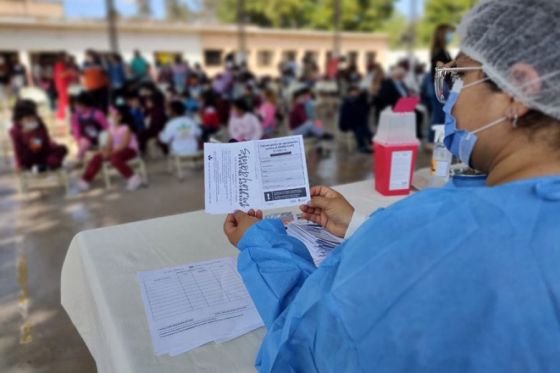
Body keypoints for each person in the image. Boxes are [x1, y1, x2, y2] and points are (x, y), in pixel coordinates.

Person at [221, 0, 560, 371]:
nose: (450, 102)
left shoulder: (438, 224)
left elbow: (309, 344)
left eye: (459, 77)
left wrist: (262, 244)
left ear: (519, 90)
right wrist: (363, 229)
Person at [77, 104, 142, 192]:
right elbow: (109, 143)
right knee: (97, 157)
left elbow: (124, 145)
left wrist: (110, 153)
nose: (109, 117)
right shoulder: (111, 129)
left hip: (129, 150)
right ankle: (84, 182)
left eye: (112, 114)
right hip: (116, 150)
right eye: (109, 115)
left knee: (114, 158)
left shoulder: (126, 128)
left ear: (120, 117)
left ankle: (133, 179)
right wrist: (105, 151)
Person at [10, 99, 67, 173]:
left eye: (34, 116)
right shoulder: (15, 130)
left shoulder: (39, 124)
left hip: (44, 153)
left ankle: (44, 166)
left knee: (61, 150)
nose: (32, 119)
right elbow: (18, 149)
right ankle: (41, 167)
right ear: (19, 120)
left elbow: (41, 144)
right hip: (29, 158)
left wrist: (34, 133)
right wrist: (19, 164)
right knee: (50, 160)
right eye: (28, 118)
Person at [428, 24, 455, 142]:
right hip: (440, 85)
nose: (451, 36)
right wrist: (457, 61)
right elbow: (441, 67)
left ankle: (435, 140)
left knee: (440, 114)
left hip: (442, 85)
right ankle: (431, 140)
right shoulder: (439, 52)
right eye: (449, 33)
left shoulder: (444, 51)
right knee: (438, 115)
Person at [71, 92, 110, 161]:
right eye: (75, 106)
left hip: (100, 135)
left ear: (86, 105)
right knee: (83, 143)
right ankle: (79, 157)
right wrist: (77, 139)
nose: (76, 108)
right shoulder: (76, 115)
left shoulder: (97, 114)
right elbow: (75, 128)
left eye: (79, 106)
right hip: (87, 137)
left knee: (104, 137)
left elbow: (106, 127)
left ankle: (106, 155)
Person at [338, 86, 372, 153]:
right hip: (348, 123)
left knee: (366, 130)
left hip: (359, 122)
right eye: (353, 92)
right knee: (359, 130)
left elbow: (365, 111)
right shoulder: (346, 103)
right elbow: (345, 116)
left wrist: (364, 100)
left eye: (356, 92)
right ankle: (361, 147)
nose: (354, 93)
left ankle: (371, 144)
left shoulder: (360, 101)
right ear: (349, 93)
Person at [53, 52, 70, 120]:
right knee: (63, 100)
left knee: (62, 100)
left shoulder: (58, 64)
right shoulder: (60, 65)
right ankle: (61, 115)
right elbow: (61, 75)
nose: (66, 58)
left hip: (61, 84)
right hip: (62, 85)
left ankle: (61, 115)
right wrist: (69, 72)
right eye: (66, 57)